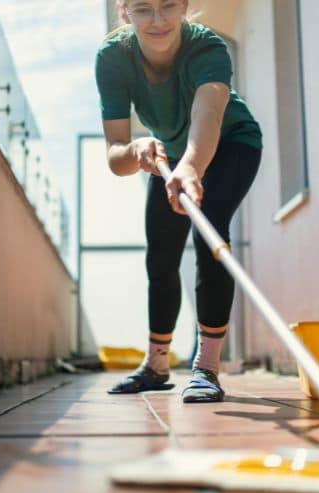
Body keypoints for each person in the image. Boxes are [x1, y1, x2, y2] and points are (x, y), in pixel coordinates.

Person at [95, 0, 262, 403]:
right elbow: (116, 156)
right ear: (125, 12)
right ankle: (156, 365)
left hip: (231, 145)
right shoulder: (113, 58)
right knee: (161, 254)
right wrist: (136, 150)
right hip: (170, 157)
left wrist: (191, 166)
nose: (158, 21)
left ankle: (206, 368)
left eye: (168, 6)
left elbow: (208, 116)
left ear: (184, 5)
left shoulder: (207, 48)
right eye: (143, 9)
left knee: (210, 233)